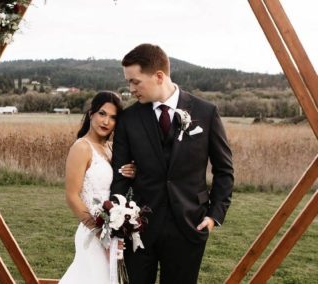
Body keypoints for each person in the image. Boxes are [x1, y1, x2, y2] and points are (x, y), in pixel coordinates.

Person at [110, 43, 234, 284]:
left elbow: (224, 170)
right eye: (128, 82)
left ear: (158, 76)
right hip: (139, 229)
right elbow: (120, 176)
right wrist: (119, 221)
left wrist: (213, 217)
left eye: (135, 81)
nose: (130, 89)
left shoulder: (206, 112)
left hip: (189, 226)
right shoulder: (129, 119)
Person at [59, 91, 136, 284]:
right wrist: (100, 232)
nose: (106, 121)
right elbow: (72, 196)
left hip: (113, 229)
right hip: (93, 231)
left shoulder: (111, 148)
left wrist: (132, 172)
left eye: (113, 117)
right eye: (102, 114)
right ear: (91, 113)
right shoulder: (82, 147)